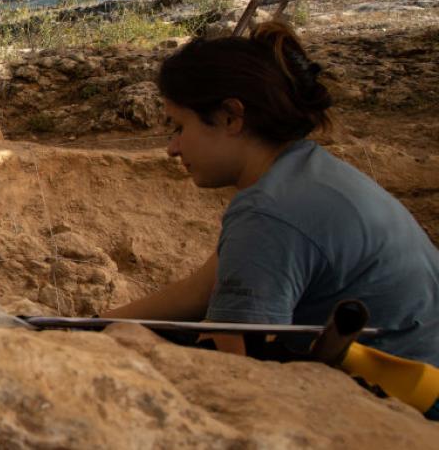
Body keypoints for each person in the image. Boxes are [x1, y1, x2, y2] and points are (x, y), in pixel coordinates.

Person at [100, 20, 439, 372]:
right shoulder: (307, 173)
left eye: (180, 127)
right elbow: (201, 291)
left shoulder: (268, 213)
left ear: (231, 117)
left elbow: (237, 368)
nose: (172, 148)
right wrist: (86, 325)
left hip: (407, 407)